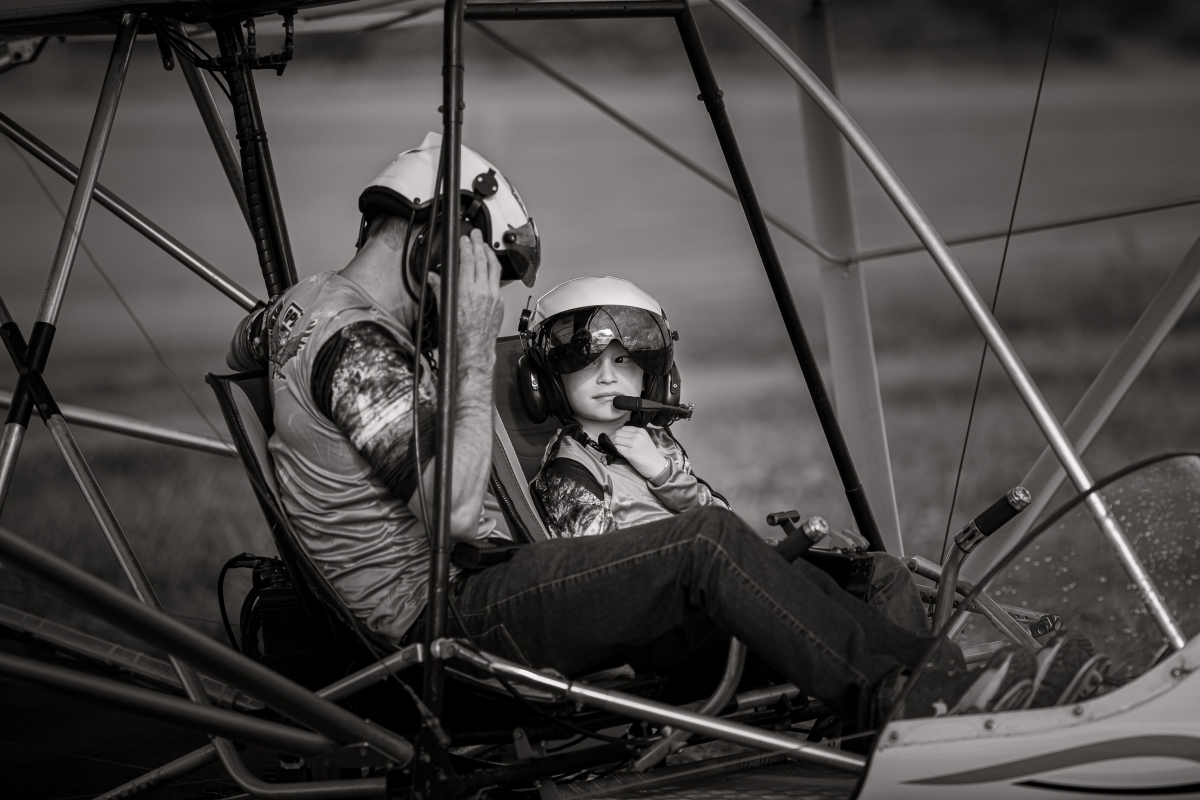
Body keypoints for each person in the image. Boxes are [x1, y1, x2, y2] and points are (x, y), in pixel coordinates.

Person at [238, 134, 1072, 728]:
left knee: (774, 561)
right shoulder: (361, 350)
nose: (478, 296)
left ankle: (945, 674)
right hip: (444, 623)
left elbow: (246, 345)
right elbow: (453, 512)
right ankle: (907, 702)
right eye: (477, 272)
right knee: (704, 543)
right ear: (432, 243)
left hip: (465, 596)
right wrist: (467, 342)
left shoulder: (301, 311)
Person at [525, 276, 929, 634]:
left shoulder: (659, 445)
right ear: (549, 382)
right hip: (686, 609)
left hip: (729, 573)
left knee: (882, 573)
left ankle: (924, 684)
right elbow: (604, 576)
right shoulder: (568, 470)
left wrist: (664, 474)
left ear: (652, 378)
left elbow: (723, 522)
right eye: (587, 363)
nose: (608, 377)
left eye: (622, 360)